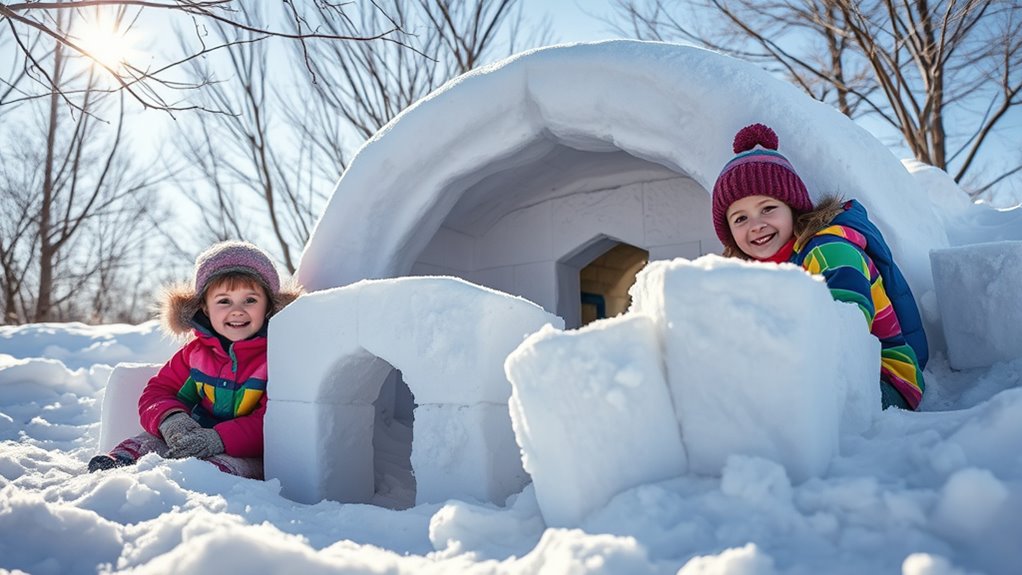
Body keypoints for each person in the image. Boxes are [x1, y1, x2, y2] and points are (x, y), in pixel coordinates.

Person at [711, 123, 927, 410]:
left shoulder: (831, 251)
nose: (756, 225)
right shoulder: (756, 272)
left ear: (793, 209)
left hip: (883, 377)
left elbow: (845, 327)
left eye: (768, 208)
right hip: (819, 371)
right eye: (740, 219)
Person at [89, 240, 302, 478]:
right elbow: (158, 392)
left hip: (246, 450)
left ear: (269, 307)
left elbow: (271, 419)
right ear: (205, 307)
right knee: (148, 442)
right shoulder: (195, 353)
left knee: (224, 469)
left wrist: (220, 439)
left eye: (250, 300)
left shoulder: (274, 358)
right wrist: (171, 420)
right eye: (224, 301)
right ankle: (121, 463)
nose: (237, 310)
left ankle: (200, 479)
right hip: (190, 435)